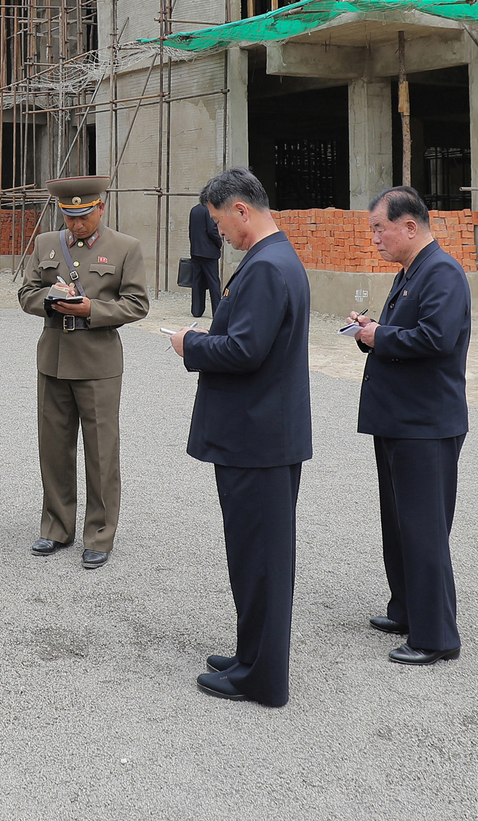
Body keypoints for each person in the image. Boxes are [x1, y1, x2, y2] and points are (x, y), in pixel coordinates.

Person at [168, 167, 311, 707]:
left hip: (260, 440)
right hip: (260, 435)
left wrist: (191, 344)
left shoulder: (268, 267)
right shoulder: (270, 259)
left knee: (263, 562)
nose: (218, 232)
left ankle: (264, 678)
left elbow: (245, 350)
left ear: (241, 210)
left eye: (218, 221)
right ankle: (251, 654)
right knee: (251, 557)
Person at [345, 184, 471, 667]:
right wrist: (369, 333)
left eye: (380, 228)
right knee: (398, 525)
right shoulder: (410, 272)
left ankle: (437, 635)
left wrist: (381, 333)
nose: (375, 238)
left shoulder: (442, 272)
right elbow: (406, 336)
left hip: (426, 422)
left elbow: (436, 339)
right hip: (400, 418)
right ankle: (407, 609)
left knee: (423, 528)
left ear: (409, 226)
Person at [15, 175, 149, 569]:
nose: (76, 224)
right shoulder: (45, 244)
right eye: (69, 216)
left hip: (98, 363)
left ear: (100, 208)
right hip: (53, 358)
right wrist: (50, 301)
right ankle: (56, 527)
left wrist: (92, 309)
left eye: (84, 216)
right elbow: (26, 294)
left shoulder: (125, 248)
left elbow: (137, 304)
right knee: (53, 448)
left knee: (101, 451)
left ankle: (100, 534)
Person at [187, 199, 223, 318]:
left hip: (196, 250)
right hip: (209, 252)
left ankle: (197, 310)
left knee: (197, 281)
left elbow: (190, 230)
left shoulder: (194, 210)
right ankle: (217, 310)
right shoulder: (209, 211)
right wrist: (219, 243)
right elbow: (212, 230)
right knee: (213, 281)